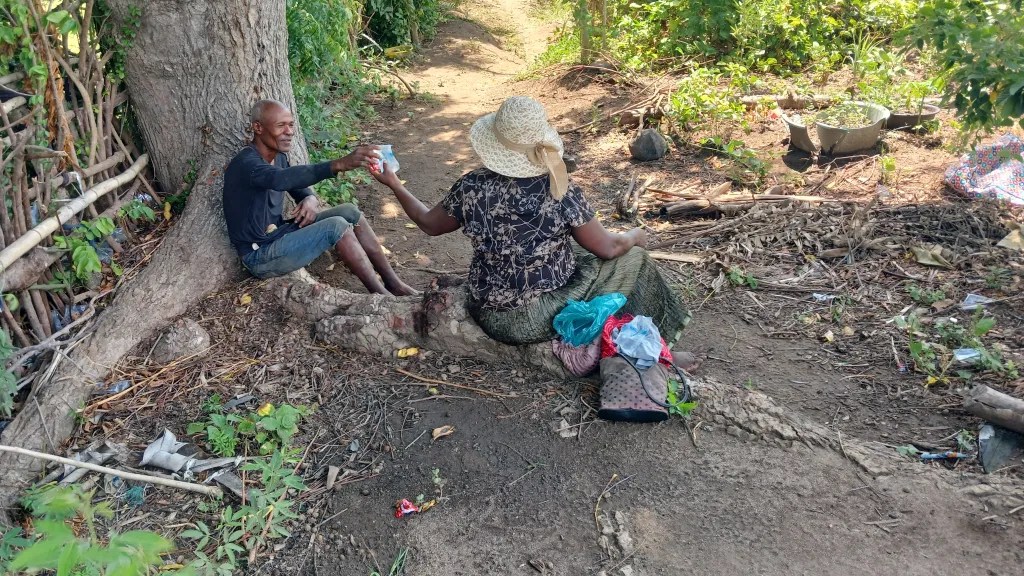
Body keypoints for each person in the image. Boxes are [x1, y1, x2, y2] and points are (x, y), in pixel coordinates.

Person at [369, 96, 693, 356]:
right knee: (634, 260)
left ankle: (637, 345)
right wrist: (636, 236)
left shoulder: (472, 186)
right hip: (537, 317)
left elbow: (428, 224)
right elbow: (609, 248)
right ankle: (654, 349)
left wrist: (395, 184)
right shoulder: (560, 189)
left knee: (581, 250)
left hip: (486, 310)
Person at [222, 99, 417, 296]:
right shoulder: (247, 164)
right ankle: (383, 298)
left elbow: (293, 183)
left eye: (291, 125)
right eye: (280, 126)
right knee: (336, 226)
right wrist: (338, 164)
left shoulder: (278, 156)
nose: (289, 132)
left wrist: (309, 197)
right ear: (258, 127)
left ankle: (394, 283)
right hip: (260, 255)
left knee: (349, 211)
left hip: (280, 234)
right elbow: (279, 179)